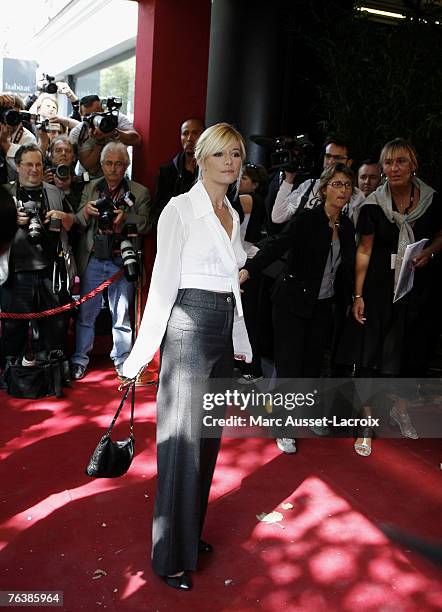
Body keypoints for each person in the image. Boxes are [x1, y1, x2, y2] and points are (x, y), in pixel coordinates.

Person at [121, 123, 252, 590]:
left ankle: (188, 536)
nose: (231, 162)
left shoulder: (233, 213)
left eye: (236, 154)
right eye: (220, 154)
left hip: (219, 326)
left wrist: (239, 273)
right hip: (189, 326)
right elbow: (161, 285)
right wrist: (139, 357)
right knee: (181, 445)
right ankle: (168, 556)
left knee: (208, 441)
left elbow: (233, 262)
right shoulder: (178, 209)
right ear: (199, 159)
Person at [240, 163, 356, 454]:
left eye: (346, 185)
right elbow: (276, 245)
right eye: (336, 184)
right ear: (324, 188)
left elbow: (346, 267)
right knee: (290, 366)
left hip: (322, 305)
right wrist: (249, 270)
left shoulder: (348, 225)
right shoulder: (308, 219)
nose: (342, 190)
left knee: (312, 365)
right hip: (292, 302)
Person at [336, 138, 442, 456]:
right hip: (378, 289)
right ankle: (366, 422)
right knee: (369, 355)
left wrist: (429, 254)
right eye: (388, 162)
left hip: (415, 287)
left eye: (400, 162)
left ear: (414, 166)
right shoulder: (373, 204)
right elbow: (364, 250)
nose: (393, 168)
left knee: (409, 354)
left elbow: (440, 236)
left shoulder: (433, 200)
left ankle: (400, 408)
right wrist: (357, 294)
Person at [70, 142, 152, 381]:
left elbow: (147, 224)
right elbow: (78, 221)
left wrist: (126, 218)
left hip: (121, 260)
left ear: (126, 165)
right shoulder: (91, 188)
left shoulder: (139, 191)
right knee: (86, 313)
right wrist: (86, 211)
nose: (113, 168)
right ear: (102, 164)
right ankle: (79, 358)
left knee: (122, 314)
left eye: (119, 163)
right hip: (94, 257)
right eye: (108, 163)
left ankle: (122, 359)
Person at [0, 144, 74, 363]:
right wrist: (11, 220)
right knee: (14, 327)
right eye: (29, 164)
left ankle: (52, 372)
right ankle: (13, 372)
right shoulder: (5, 193)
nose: (34, 169)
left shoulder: (54, 192)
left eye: (38, 164)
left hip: (50, 271)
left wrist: (63, 217)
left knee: (54, 326)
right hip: (15, 272)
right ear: (18, 166)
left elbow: (75, 222)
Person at [271, 137, 365, 227]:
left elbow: (358, 234)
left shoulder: (356, 195)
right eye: (328, 156)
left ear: (349, 163)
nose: (330, 161)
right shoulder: (309, 185)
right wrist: (288, 180)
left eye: (337, 158)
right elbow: (278, 217)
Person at [69, 95, 141, 179]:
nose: (93, 118)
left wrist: (113, 132)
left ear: (103, 110)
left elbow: (137, 140)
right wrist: (100, 142)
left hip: (119, 178)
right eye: (88, 115)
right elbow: (91, 169)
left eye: (97, 113)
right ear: (81, 115)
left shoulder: (115, 118)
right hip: (89, 180)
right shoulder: (78, 132)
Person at [154, 117, 205, 215]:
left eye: (195, 133)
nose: (189, 138)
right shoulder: (167, 171)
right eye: (185, 133)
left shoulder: (211, 170)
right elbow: (158, 208)